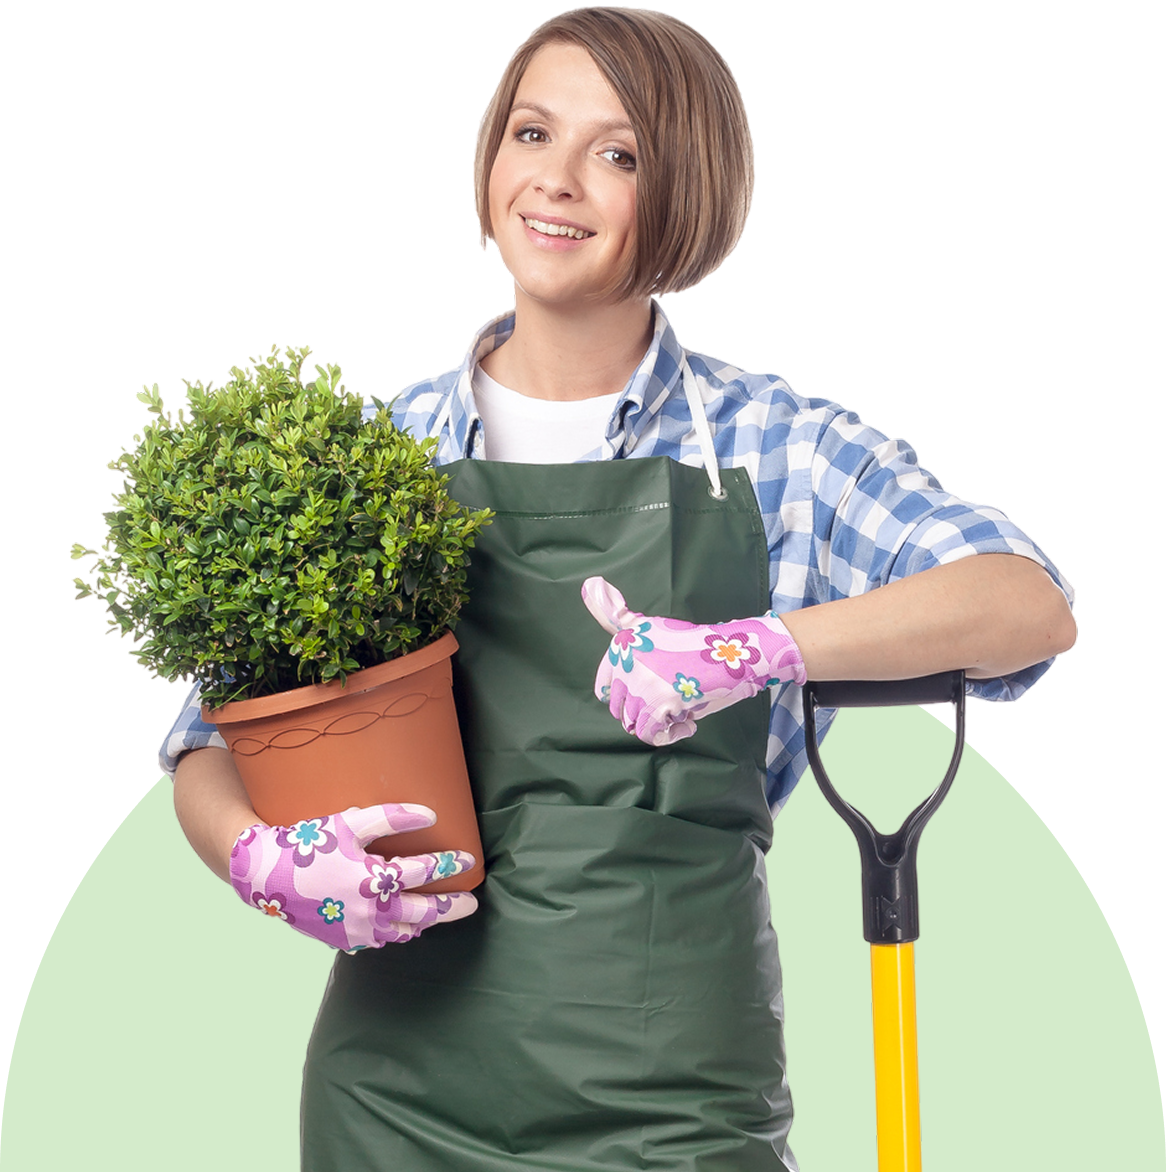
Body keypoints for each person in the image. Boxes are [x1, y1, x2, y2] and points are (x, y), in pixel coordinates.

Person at [160, 8, 1078, 1170]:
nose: (556, 179)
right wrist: (261, 859)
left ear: (686, 193)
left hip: (674, 1103)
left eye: (618, 153)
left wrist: (755, 647)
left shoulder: (768, 450)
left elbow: (1026, 602)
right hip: (394, 1098)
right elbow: (211, 738)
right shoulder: (378, 457)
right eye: (531, 132)